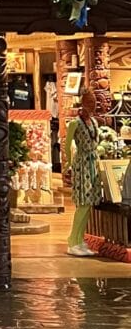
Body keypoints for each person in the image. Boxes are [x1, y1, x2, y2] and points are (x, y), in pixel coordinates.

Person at [63, 88, 101, 256]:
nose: (92, 105)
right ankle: (73, 240)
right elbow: (67, 145)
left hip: (93, 164)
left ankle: (79, 239)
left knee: (89, 204)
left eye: (94, 102)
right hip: (82, 164)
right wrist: (69, 164)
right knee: (82, 203)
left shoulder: (94, 122)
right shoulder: (74, 123)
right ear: (83, 103)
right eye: (90, 102)